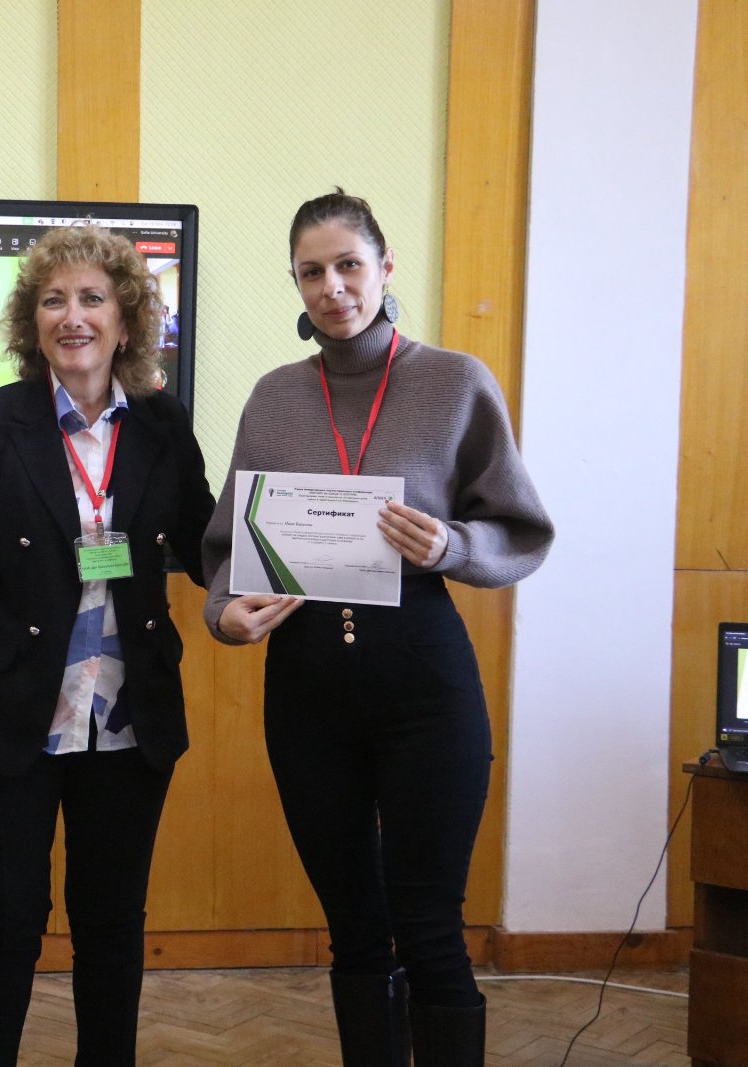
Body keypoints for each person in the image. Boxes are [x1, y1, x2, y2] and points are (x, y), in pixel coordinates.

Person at [202, 190, 553, 1065]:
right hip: (307, 692)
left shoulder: (455, 381)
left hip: (424, 687)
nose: (332, 287)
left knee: (429, 925)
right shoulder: (275, 397)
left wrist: (450, 544)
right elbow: (228, 546)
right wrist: (225, 613)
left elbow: (521, 529)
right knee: (355, 927)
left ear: (386, 267)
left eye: (349, 265)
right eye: (311, 272)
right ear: (295, 283)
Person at [0, 225, 215, 1066]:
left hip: (128, 719)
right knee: (5, 922)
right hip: (12, 720)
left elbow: (205, 546)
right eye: (54, 300)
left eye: (92, 298)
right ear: (32, 321)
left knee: (113, 924)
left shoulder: (161, 423)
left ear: (126, 320)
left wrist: (290, 551)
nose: (72, 316)